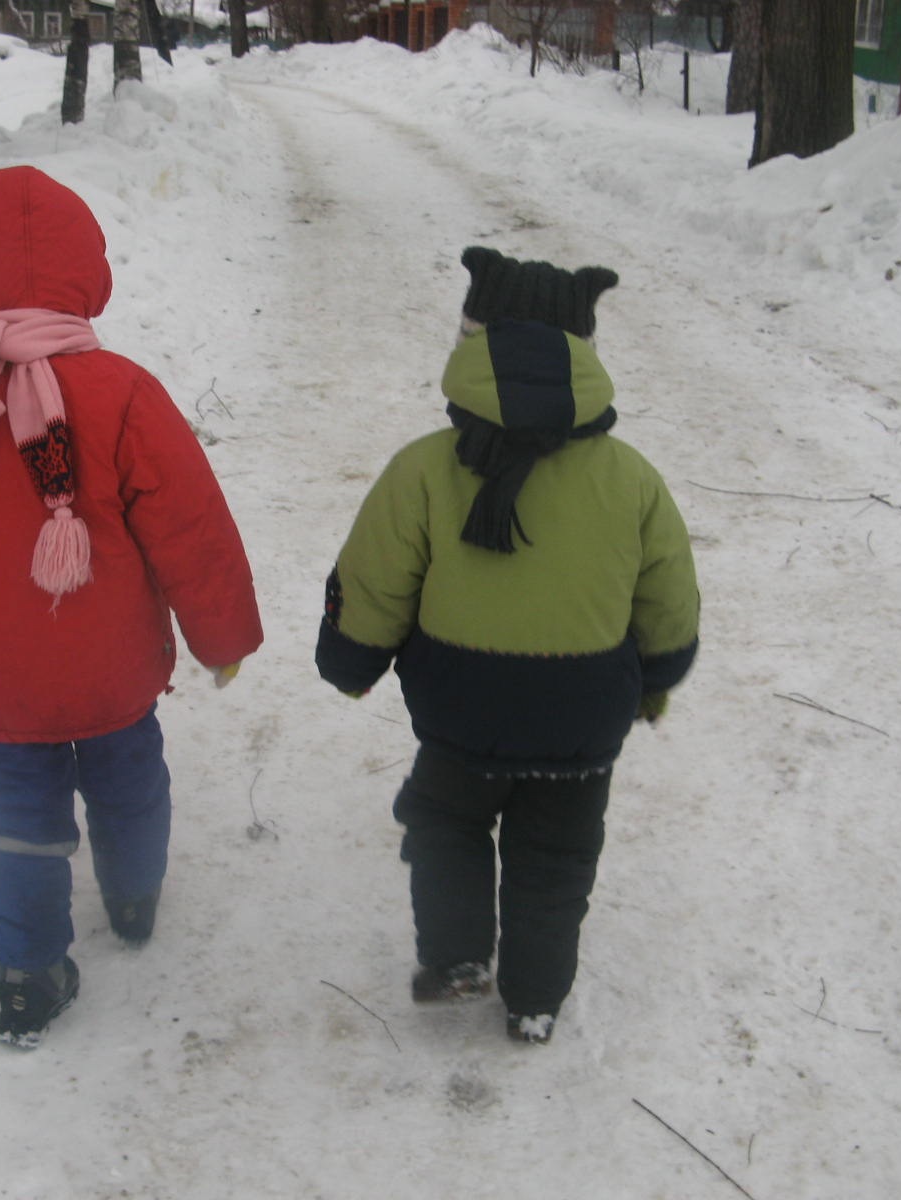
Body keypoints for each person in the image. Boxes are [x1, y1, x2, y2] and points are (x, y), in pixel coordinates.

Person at [0, 165, 263, 1049]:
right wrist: (221, 636)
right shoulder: (122, 392)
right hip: (111, 670)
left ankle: (28, 974)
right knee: (130, 786)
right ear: (84, 269)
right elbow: (190, 528)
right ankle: (133, 897)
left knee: (16, 820)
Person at [315, 246, 699, 1045]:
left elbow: (376, 579)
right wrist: (658, 678)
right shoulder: (631, 478)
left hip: (463, 711)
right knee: (556, 858)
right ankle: (535, 999)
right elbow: (666, 595)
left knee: (445, 824)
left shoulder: (424, 468)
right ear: (583, 356)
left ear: (472, 345)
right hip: (583, 717)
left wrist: (352, 661)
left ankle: (458, 956)